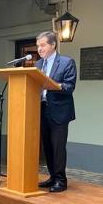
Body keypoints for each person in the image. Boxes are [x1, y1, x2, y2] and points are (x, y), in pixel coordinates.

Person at [35, 31, 77, 193]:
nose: (39, 49)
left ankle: (61, 180)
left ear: (53, 45)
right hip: (42, 109)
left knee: (58, 146)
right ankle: (52, 176)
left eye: (43, 45)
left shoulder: (67, 62)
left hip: (59, 111)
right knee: (47, 147)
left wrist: (54, 85)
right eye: (38, 46)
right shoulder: (38, 65)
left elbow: (70, 86)